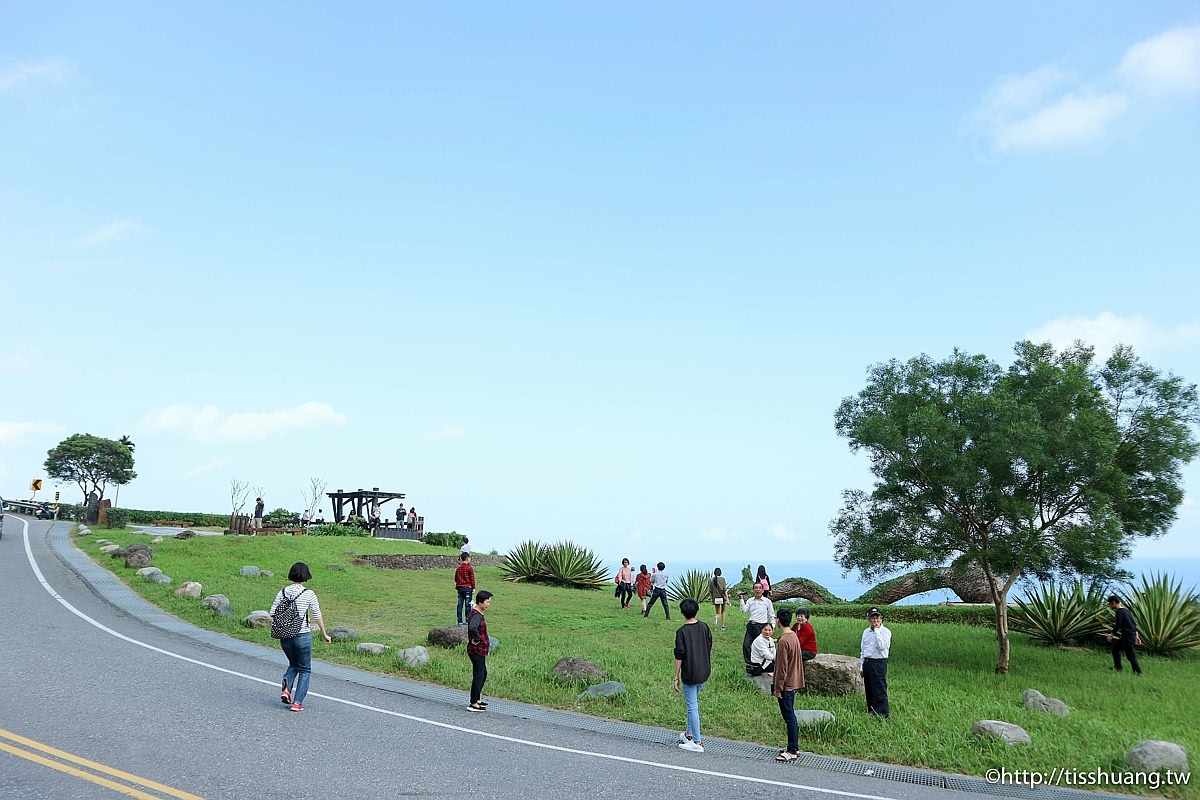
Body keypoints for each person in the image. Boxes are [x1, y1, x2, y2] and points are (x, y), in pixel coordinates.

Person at [270, 562, 332, 712]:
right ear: (306, 576)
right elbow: (317, 615)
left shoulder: (283, 592)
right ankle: (297, 702)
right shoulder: (308, 594)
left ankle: (286, 690)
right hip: (302, 635)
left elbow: (272, 612)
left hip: (285, 636)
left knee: (293, 664)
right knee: (305, 669)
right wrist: (325, 634)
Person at [673, 598, 712, 753]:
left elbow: (679, 655)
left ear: (682, 612)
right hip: (704, 670)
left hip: (690, 673)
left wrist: (676, 676)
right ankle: (689, 733)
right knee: (693, 703)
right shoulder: (704, 627)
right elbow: (709, 644)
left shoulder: (681, 632)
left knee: (692, 707)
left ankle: (697, 741)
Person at [772, 608, 805, 762]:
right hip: (793, 681)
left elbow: (781, 667)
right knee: (790, 714)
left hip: (786, 684)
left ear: (778, 620)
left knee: (789, 716)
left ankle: (792, 749)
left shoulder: (784, 641)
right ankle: (794, 747)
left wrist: (778, 688)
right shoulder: (793, 636)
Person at [860, 607, 891, 718]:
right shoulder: (866, 632)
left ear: (881, 619)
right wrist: (861, 666)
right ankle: (872, 711)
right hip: (868, 662)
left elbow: (882, 647)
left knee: (879, 688)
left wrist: (877, 631)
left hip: (878, 663)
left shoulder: (885, 632)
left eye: (877, 618)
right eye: (872, 618)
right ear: (869, 619)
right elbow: (863, 649)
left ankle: (883, 714)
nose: (875, 620)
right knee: (869, 689)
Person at [466, 590, 493, 712]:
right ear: (480, 602)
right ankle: (473, 703)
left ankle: (477, 699)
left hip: (480, 650)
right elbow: (472, 627)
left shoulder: (477, 613)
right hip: (477, 650)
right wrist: (477, 639)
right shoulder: (476, 615)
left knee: (483, 673)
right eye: (487, 602)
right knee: (478, 675)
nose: (488, 604)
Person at [739, 582, 776, 670]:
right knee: (746, 645)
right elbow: (744, 610)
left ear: (763, 590)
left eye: (760, 588)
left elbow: (771, 615)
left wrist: (772, 627)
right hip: (751, 625)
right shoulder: (750, 600)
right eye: (756, 588)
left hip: (761, 626)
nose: (758, 590)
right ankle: (750, 663)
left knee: (762, 645)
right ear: (753, 590)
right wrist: (741, 600)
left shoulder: (767, 602)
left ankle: (764, 663)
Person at [1105, 595, 1142, 675]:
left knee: (1130, 656)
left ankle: (1137, 672)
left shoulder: (1119, 612)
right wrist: (1136, 636)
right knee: (1116, 649)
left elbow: (1118, 624)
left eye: (1110, 604)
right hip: (1130, 636)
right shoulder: (1127, 611)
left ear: (1114, 603)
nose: (1110, 606)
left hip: (1127, 637)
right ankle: (1118, 668)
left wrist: (1111, 634)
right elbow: (1134, 624)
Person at [455, 553, 476, 626]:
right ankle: (467, 620)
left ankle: (459, 620)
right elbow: (472, 579)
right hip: (468, 588)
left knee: (460, 604)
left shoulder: (458, 569)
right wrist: (473, 588)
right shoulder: (469, 568)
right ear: (467, 559)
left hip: (460, 588)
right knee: (468, 605)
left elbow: (456, 578)